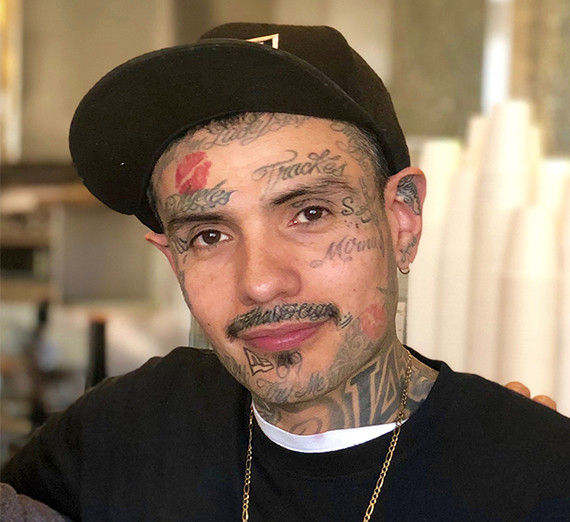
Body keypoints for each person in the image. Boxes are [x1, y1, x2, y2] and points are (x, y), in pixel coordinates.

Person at [2, 22, 569, 521]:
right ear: (173, 258)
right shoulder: (115, 433)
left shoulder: (539, 479)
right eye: (209, 235)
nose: (261, 282)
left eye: (310, 213)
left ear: (402, 220)